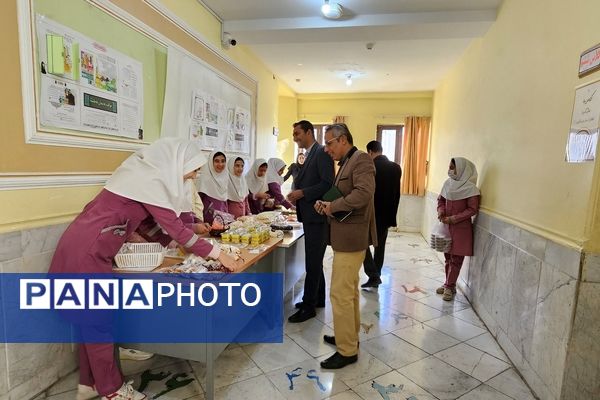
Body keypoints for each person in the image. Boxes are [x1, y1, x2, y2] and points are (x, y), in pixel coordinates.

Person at [48, 138, 241, 400]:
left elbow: (147, 228)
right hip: (87, 253)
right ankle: (112, 391)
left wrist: (176, 243)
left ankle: (89, 384)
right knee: (98, 323)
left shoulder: (142, 181)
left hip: (85, 248)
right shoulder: (151, 182)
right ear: (177, 162)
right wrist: (220, 254)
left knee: (89, 322)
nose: (194, 175)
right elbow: (176, 230)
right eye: (194, 169)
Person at [315, 124, 376, 369]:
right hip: (345, 236)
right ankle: (347, 338)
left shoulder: (360, 160)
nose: (327, 149)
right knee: (349, 293)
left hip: (352, 238)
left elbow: (363, 194)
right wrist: (326, 205)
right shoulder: (346, 162)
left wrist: (334, 206)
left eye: (329, 143)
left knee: (339, 293)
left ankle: (347, 350)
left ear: (342, 140)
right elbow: (343, 194)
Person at [286, 120, 334, 323]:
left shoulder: (322, 153)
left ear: (308, 132)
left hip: (317, 216)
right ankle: (318, 299)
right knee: (314, 261)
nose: (295, 137)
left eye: (297, 133)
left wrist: (301, 193)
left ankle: (308, 307)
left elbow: (327, 183)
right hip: (308, 215)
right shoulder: (308, 155)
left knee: (312, 263)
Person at [436, 157, 480, 301]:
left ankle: (449, 287)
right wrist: (441, 212)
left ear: (461, 170)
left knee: (457, 258)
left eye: (452, 167)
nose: (449, 170)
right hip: (446, 226)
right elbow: (441, 200)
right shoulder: (448, 184)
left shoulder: (471, 189)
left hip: (461, 228)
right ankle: (449, 284)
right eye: (449, 166)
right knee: (447, 257)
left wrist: (454, 218)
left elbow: (472, 209)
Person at [361, 140, 402, 288]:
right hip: (387, 214)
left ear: (370, 152)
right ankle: (375, 274)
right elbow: (397, 194)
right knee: (380, 247)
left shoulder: (370, 166)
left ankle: (373, 275)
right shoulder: (396, 168)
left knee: (362, 244)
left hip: (371, 214)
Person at [197, 151, 228, 224]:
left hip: (224, 218)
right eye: (217, 161)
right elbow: (198, 203)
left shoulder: (226, 177)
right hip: (208, 220)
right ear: (211, 162)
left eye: (223, 161)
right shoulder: (204, 178)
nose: (220, 164)